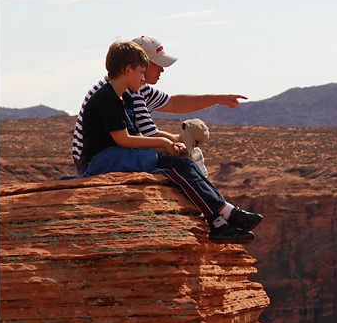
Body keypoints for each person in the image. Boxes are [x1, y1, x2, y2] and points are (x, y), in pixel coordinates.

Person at [73, 41, 262, 244]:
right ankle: (225, 214)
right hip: (102, 160)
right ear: (130, 68)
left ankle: (219, 220)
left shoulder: (124, 93)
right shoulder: (116, 95)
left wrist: (216, 99)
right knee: (175, 167)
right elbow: (128, 139)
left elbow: (173, 103)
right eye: (143, 70)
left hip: (115, 154)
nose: (155, 73)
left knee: (182, 165)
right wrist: (168, 144)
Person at [71, 35, 246, 175]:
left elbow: (174, 103)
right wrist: (176, 142)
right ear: (138, 63)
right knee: (181, 161)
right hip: (95, 162)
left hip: (107, 156)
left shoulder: (135, 87)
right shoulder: (127, 91)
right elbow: (147, 137)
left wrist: (216, 99)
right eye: (157, 64)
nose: (162, 70)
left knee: (179, 156)